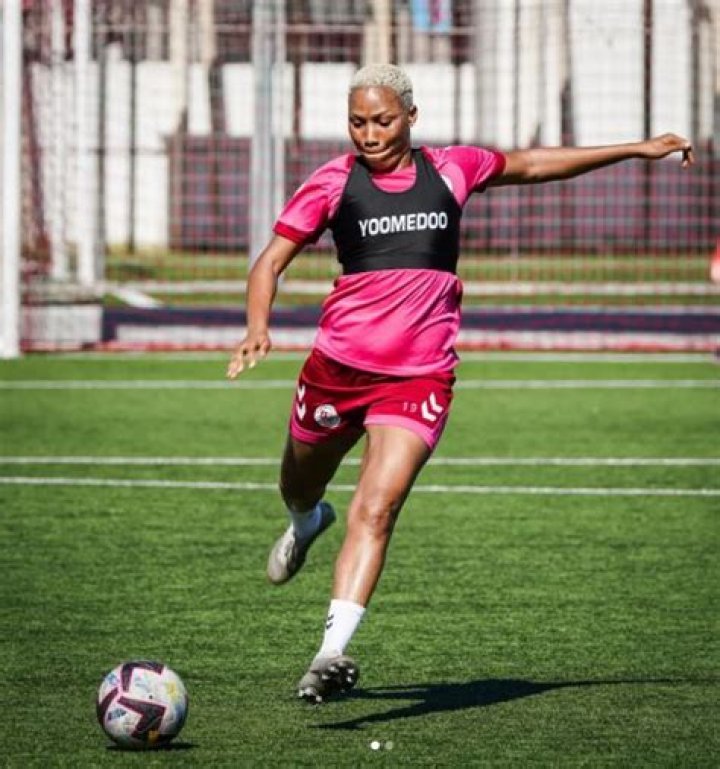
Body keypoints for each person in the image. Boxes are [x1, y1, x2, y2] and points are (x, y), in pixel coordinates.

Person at [227, 64, 694, 703]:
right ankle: (305, 521)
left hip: (419, 376)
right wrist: (258, 326)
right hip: (337, 370)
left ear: (411, 117)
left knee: (378, 507)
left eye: (383, 120)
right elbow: (269, 262)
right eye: (358, 122)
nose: (370, 134)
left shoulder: (452, 169)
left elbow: (534, 164)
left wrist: (637, 148)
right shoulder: (333, 183)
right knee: (298, 483)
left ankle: (329, 654)